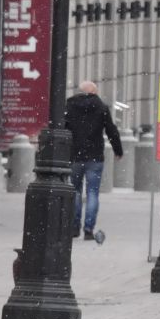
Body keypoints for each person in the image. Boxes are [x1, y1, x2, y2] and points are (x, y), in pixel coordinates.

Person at [62, 80, 122, 245]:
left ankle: (74, 228)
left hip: (75, 155)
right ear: (94, 92)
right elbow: (111, 129)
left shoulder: (70, 105)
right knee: (93, 193)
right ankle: (88, 229)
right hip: (95, 156)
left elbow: (63, 127)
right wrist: (118, 150)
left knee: (75, 191)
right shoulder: (101, 107)